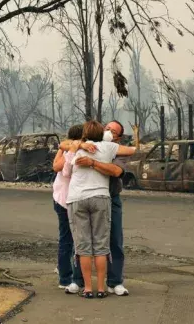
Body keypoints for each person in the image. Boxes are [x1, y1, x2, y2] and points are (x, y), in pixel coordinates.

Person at [60, 120, 136, 296]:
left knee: (112, 241)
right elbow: (64, 143)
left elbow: (116, 171)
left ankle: (113, 282)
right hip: (99, 198)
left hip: (109, 197)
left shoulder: (115, 150)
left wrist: (92, 162)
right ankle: (82, 282)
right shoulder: (93, 146)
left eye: (113, 131)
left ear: (118, 137)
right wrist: (81, 144)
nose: (109, 131)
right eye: (107, 128)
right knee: (87, 245)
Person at [52, 124, 84, 290]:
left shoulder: (69, 148)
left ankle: (71, 274)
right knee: (68, 240)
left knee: (72, 240)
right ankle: (65, 278)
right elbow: (57, 166)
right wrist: (67, 149)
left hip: (67, 197)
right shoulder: (71, 149)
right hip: (65, 199)